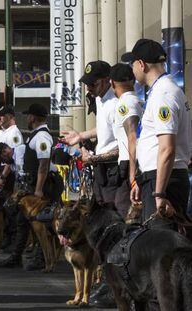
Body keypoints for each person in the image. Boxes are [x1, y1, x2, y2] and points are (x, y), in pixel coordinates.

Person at [61, 61, 119, 308]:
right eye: (87, 84)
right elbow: (104, 131)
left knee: (112, 227)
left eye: (93, 83)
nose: (89, 89)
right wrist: (82, 136)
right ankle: (104, 280)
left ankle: (110, 283)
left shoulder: (118, 103)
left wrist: (93, 158)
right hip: (101, 169)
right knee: (98, 227)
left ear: (107, 80)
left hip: (115, 169)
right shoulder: (102, 101)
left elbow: (125, 143)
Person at [122, 39, 192, 234]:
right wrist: (142, 180)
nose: (132, 69)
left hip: (164, 181)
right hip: (158, 178)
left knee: (163, 248)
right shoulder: (162, 90)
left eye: (133, 63)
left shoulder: (164, 94)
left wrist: (159, 192)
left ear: (142, 64)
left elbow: (167, 148)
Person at [0, 104, 62, 271]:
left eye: (29, 115)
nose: (27, 118)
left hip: (45, 185)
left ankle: (42, 258)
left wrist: (39, 189)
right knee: (25, 221)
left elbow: (44, 164)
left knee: (42, 222)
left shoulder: (42, 137)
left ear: (33, 117)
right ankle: (18, 257)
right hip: (33, 184)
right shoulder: (35, 136)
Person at [109, 63, 144, 218]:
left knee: (124, 207)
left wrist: (132, 175)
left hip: (130, 162)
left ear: (112, 83)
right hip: (134, 161)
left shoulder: (125, 103)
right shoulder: (136, 101)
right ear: (134, 80)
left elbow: (132, 136)